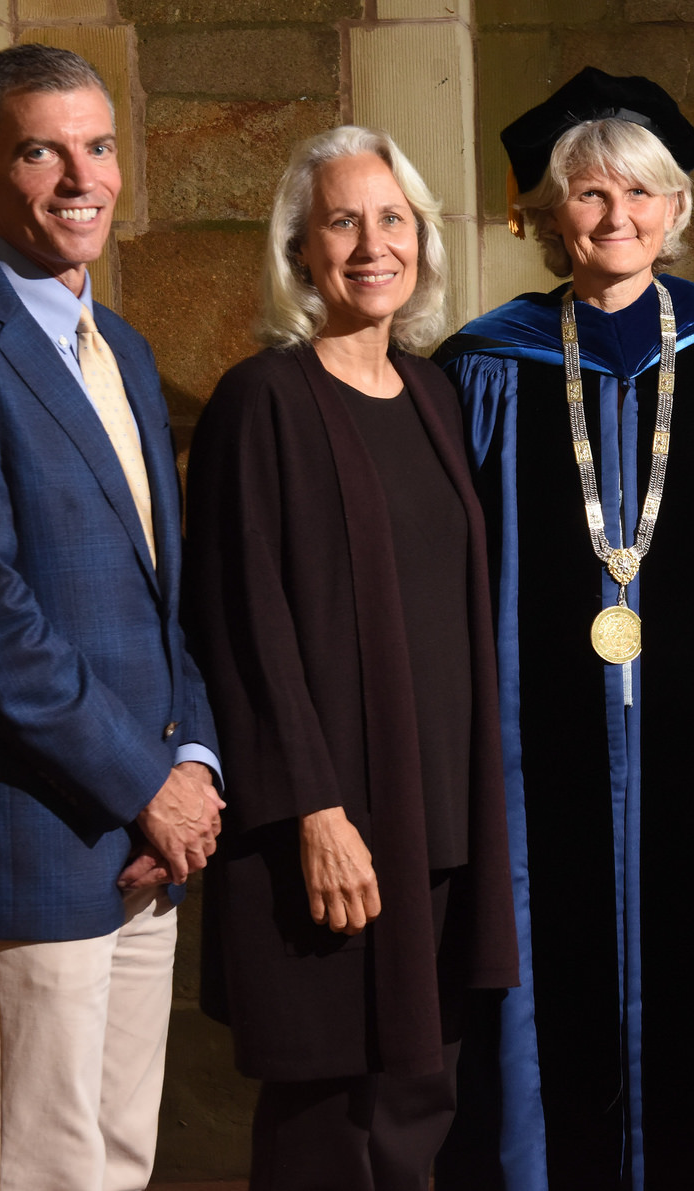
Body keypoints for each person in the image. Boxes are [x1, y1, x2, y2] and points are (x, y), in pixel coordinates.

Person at [0, 43, 223, 1191]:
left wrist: (196, 760)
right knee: (40, 1167)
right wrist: (143, 783)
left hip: (146, 831)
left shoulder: (117, 345)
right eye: (40, 150)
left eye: (99, 145)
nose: (81, 176)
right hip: (32, 827)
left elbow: (169, 598)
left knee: (117, 1158)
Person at [432, 67, 694, 1191]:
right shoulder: (487, 362)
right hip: (534, 743)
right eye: (587, 194)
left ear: (677, 208)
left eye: (640, 192)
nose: (615, 216)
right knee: (552, 958)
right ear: (546, 216)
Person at [181, 126, 518, 1190]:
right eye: (342, 220)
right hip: (328, 826)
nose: (372, 244)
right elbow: (240, 622)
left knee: (420, 1096)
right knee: (326, 1113)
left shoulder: (433, 395)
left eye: (392, 218)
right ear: (298, 251)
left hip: (437, 816)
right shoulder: (261, 400)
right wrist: (314, 811)